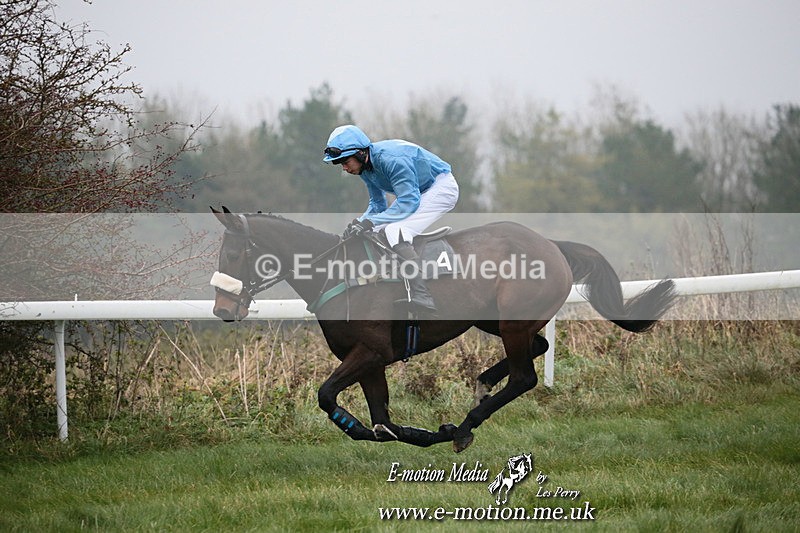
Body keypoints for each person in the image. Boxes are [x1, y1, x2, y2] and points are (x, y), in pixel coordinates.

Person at [323, 124, 459, 317]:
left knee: (396, 231)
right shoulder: (366, 168)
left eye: (345, 161)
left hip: (441, 188)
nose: (344, 167)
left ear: (361, 154)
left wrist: (371, 221)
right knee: (376, 231)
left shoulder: (391, 160)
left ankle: (422, 294)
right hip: (418, 192)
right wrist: (360, 222)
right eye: (340, 163)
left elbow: (408, 202)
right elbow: (377, 205)